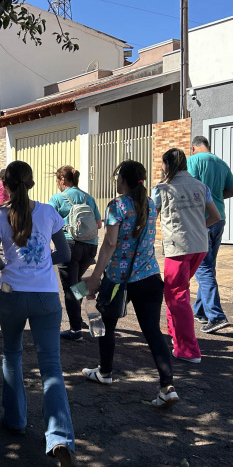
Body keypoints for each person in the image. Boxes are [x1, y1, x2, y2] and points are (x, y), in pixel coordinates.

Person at [0, 160, 80, 467]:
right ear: (32, 183)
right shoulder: (49, 212)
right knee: (51, 365)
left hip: (11, 294)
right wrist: (39, 263)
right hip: (46, 297)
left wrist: (14, 263)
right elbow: (64, 255)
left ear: (5, 185)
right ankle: (60, 438)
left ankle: (16, 421)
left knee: (12, 353)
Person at [81, 161, 179, 406]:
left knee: (107, 325)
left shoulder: (117, 206)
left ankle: (105, 372)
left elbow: (110, 245)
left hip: (117, 279)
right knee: (153, 332)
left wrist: (95, 276)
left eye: (117, 177)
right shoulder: (150, 204)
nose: (116, 181)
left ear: (123, 179)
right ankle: (167, 385)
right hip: (149, 277)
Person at [152, 148, 221, 364]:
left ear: (167, 165)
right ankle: (176, 337)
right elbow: (215, 216)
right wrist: (198, 228)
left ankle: (188, 349)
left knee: (176, 294)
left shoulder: (162, 189)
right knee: (179, 291)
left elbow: (150, 215)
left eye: (163, 164)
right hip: (199, 245)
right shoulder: (201, 186)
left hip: (178, 247)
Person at [188, 136, 233, 333]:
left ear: (193, 148)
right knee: (208, 266)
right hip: (219, 219)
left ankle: (216, 316)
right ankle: (201, 311)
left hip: (202, 219)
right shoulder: (221, 162)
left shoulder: (192, 161)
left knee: (203, 269)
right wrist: (216, 196)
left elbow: (190, 187)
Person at [48, 165, 102, 341]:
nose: (57, 184)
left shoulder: (57, 199)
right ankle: (76, 317)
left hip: (69, 246)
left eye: (57, 180)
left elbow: (47, 223)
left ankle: (75, 330)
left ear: (63, 180)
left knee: (70, 289)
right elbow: (99, 224)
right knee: (76, 283)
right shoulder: (89, 198)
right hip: (90, 247)